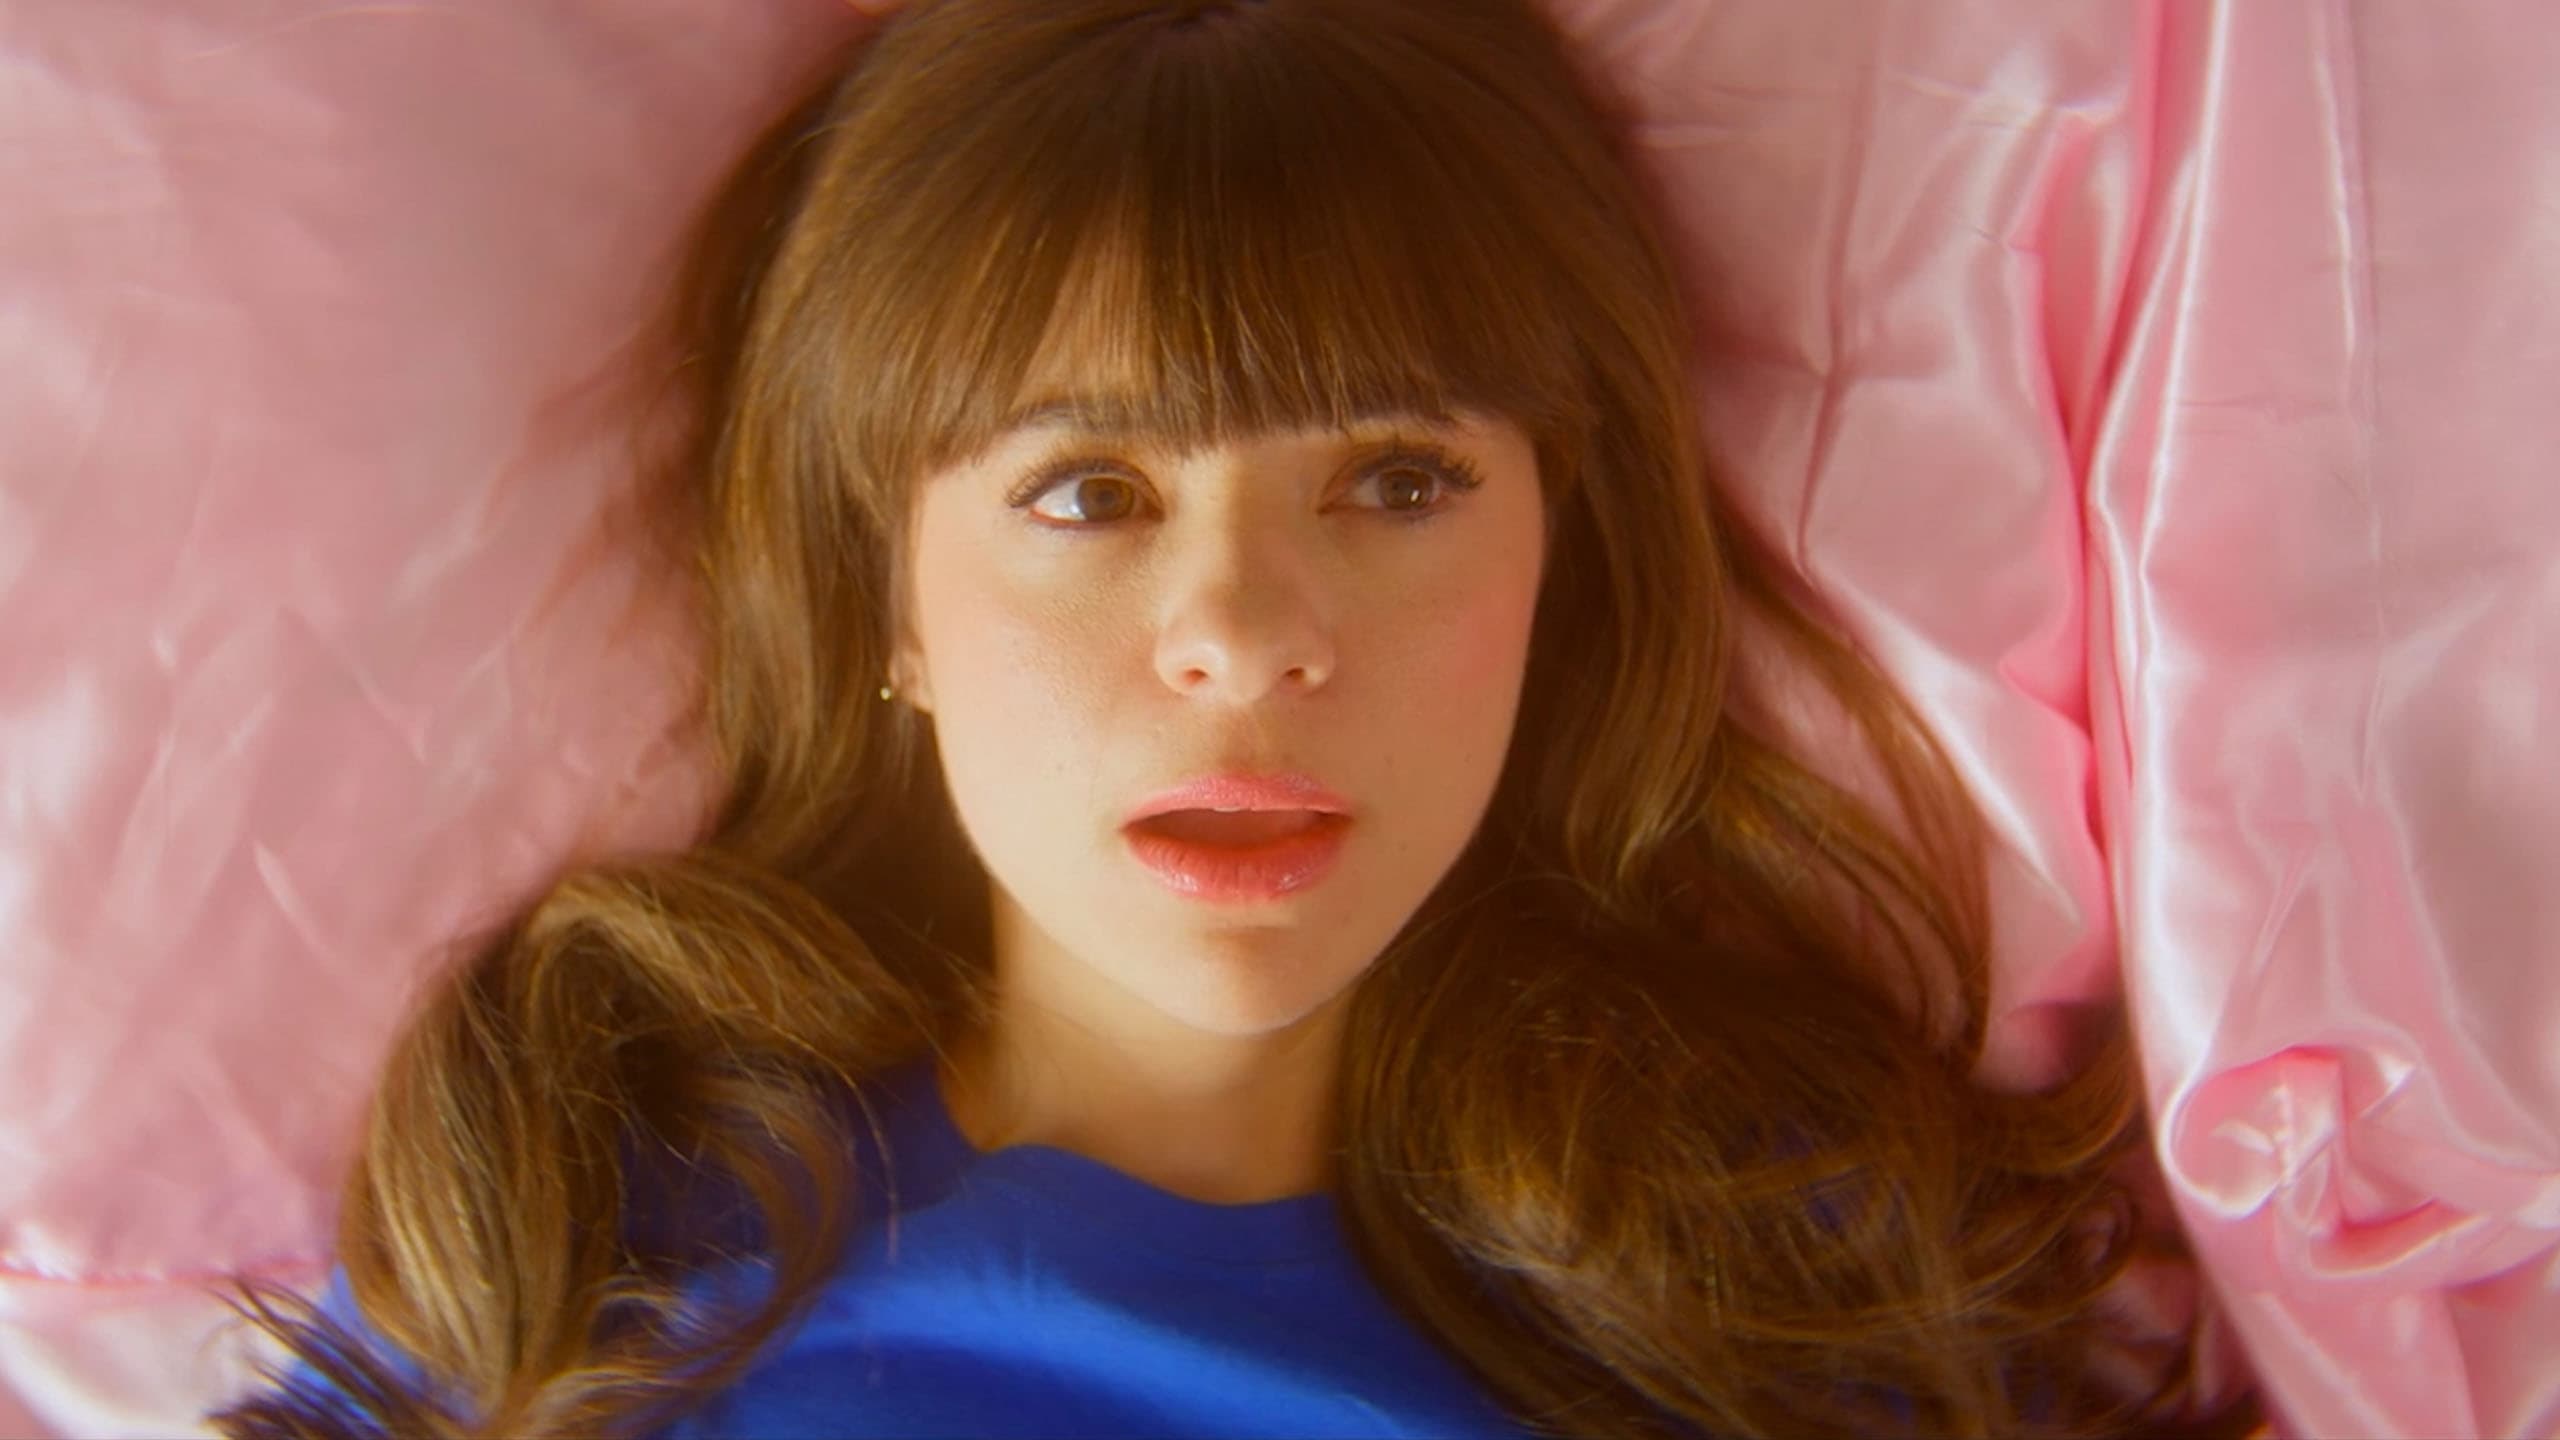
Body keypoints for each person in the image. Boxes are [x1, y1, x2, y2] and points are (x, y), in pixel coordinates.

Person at [204, 1, 2245, 1436]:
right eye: (1089, 494)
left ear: (1558, 569)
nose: (1246, 638)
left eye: (1398, 482)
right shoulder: (592, 1214)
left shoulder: (1784, 1273)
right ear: (887, 605)